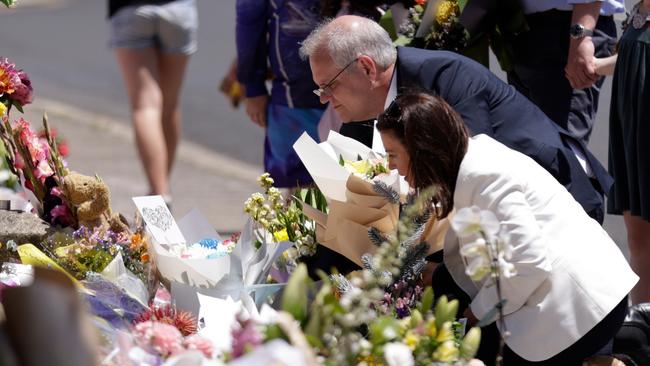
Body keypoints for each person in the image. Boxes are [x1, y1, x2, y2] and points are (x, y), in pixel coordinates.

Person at [376, 92, 638, 366]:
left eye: (393, 154)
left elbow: (527, 263)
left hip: (582, 309)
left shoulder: (484, 176)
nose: (390, 166)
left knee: (476, 351)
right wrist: (439, 277)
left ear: (423, 149)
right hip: (563, 294)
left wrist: (476, 313)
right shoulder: (472, 159)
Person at [299, 15, 611, 223]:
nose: (324, 98)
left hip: (561, 204)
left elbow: (471, 173)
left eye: (330, 86)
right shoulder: (357, 111)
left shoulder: (446, 78)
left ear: (367, 68)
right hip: (494, 220)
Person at [108, 0, 197, 207]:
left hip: (131, 10)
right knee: (170, 103)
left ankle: (159, 195)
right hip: (178, 10)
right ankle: (161, 188)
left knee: (145, 106)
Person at [593, 0, 650, 305]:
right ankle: (642, 333)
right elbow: (633, 55)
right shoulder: (640, 9)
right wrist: (595, 67)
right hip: (632, 124)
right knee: (638, 237)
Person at [504, 0, 621, 145]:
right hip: (521, 26)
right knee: (525, 147)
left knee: (562, 148)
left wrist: (580, 38)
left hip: (571, 27)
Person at [236, 0, 325, 189]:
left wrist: (253, 87)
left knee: (306, 190)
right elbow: (249, 22)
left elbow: (248, 23)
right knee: (310, 189)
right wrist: (253, 86)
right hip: (297, 100)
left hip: (297, 97)